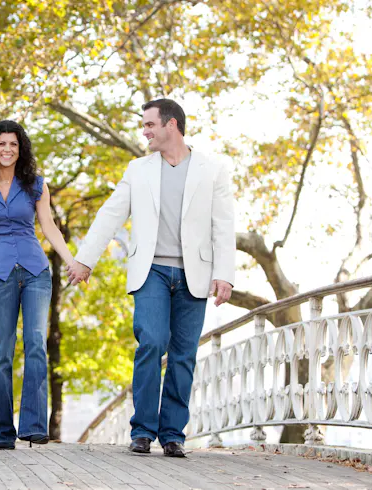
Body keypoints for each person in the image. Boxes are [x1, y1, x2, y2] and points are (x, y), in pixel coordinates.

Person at [67, 99, 236, 457]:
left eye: (148, 125)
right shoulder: (139, 169)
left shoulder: (212, 170)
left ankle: (173, 433)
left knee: (184, 355)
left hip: (194, 273)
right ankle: (143, 430)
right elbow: (111, 214)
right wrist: (85, 260)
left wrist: (224, 275)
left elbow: (223, 225)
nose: (143, 131)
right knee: (152, 342)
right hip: (152, 271)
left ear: (170, 124)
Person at [0, 120, 76, 450]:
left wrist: (71, 260)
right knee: (2, 352)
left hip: (35, 272)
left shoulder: (35, 186)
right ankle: (2, 432)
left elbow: (49, 227)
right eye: (2, 144)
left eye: (13, 144)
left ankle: (33, 426)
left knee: (35, 343)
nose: (7, 150)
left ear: (20, 148)